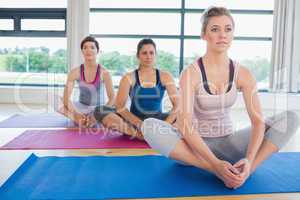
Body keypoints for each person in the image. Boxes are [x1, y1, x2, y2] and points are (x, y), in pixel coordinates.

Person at [142, 6, 300, 189]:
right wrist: (215, 165)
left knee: (290, 118)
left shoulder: (243, 74)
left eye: (228, 29)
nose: (222, 35)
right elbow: (185, 124)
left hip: (230, 145)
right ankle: (213, 168)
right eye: (215, 29)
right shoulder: (191, 73)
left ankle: (245, 172)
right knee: (149, 125)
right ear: (204, 35)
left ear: (233, 34)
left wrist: (249, 161)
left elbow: (257, 122)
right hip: (195, 149)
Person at [94, 38, 178, 139]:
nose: (148, 56)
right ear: (138, 55)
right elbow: (120, 107)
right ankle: (138, 135)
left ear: (156, 55)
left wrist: (164, 126)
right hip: (134, 122)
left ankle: (156, 133)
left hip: (157, 122)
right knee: (99, 110)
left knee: (184, 114)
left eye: (151, 53)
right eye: (144, 53)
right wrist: (140, 125)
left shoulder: (165, 76)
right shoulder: (128, 78)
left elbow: (177, 105)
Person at [58, 36, 115, 128]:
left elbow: (112, 98)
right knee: (54, 99)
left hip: (99, 108)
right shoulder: (74, 72)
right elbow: (66, 97)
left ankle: (92, 120)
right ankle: (80, 119)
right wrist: (76, 113)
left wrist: (98, 114)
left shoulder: (105, 72)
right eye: (85, 47)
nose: (89, 50)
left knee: (118, 107)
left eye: (92, 47)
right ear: (82, 51)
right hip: (81, 107)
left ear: (97, 51)